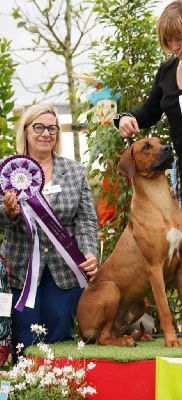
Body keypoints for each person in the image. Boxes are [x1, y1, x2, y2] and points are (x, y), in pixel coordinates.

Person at [114, 0, 182, 345]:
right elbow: (149, 110)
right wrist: (127, 117)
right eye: (168, 41)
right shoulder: (166, 73)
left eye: (179, 39)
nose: (174, 47)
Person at [0, 104, 98, 362]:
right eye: (39, 127)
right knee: (24, 340)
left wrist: (89, 252)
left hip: (65, 271)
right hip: (20, 271)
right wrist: (8, 213)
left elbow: (86, 218)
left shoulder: (75, 171)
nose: (46, 133)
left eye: (52, 128)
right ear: (26, 131)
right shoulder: (6, 169)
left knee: (60, 336)